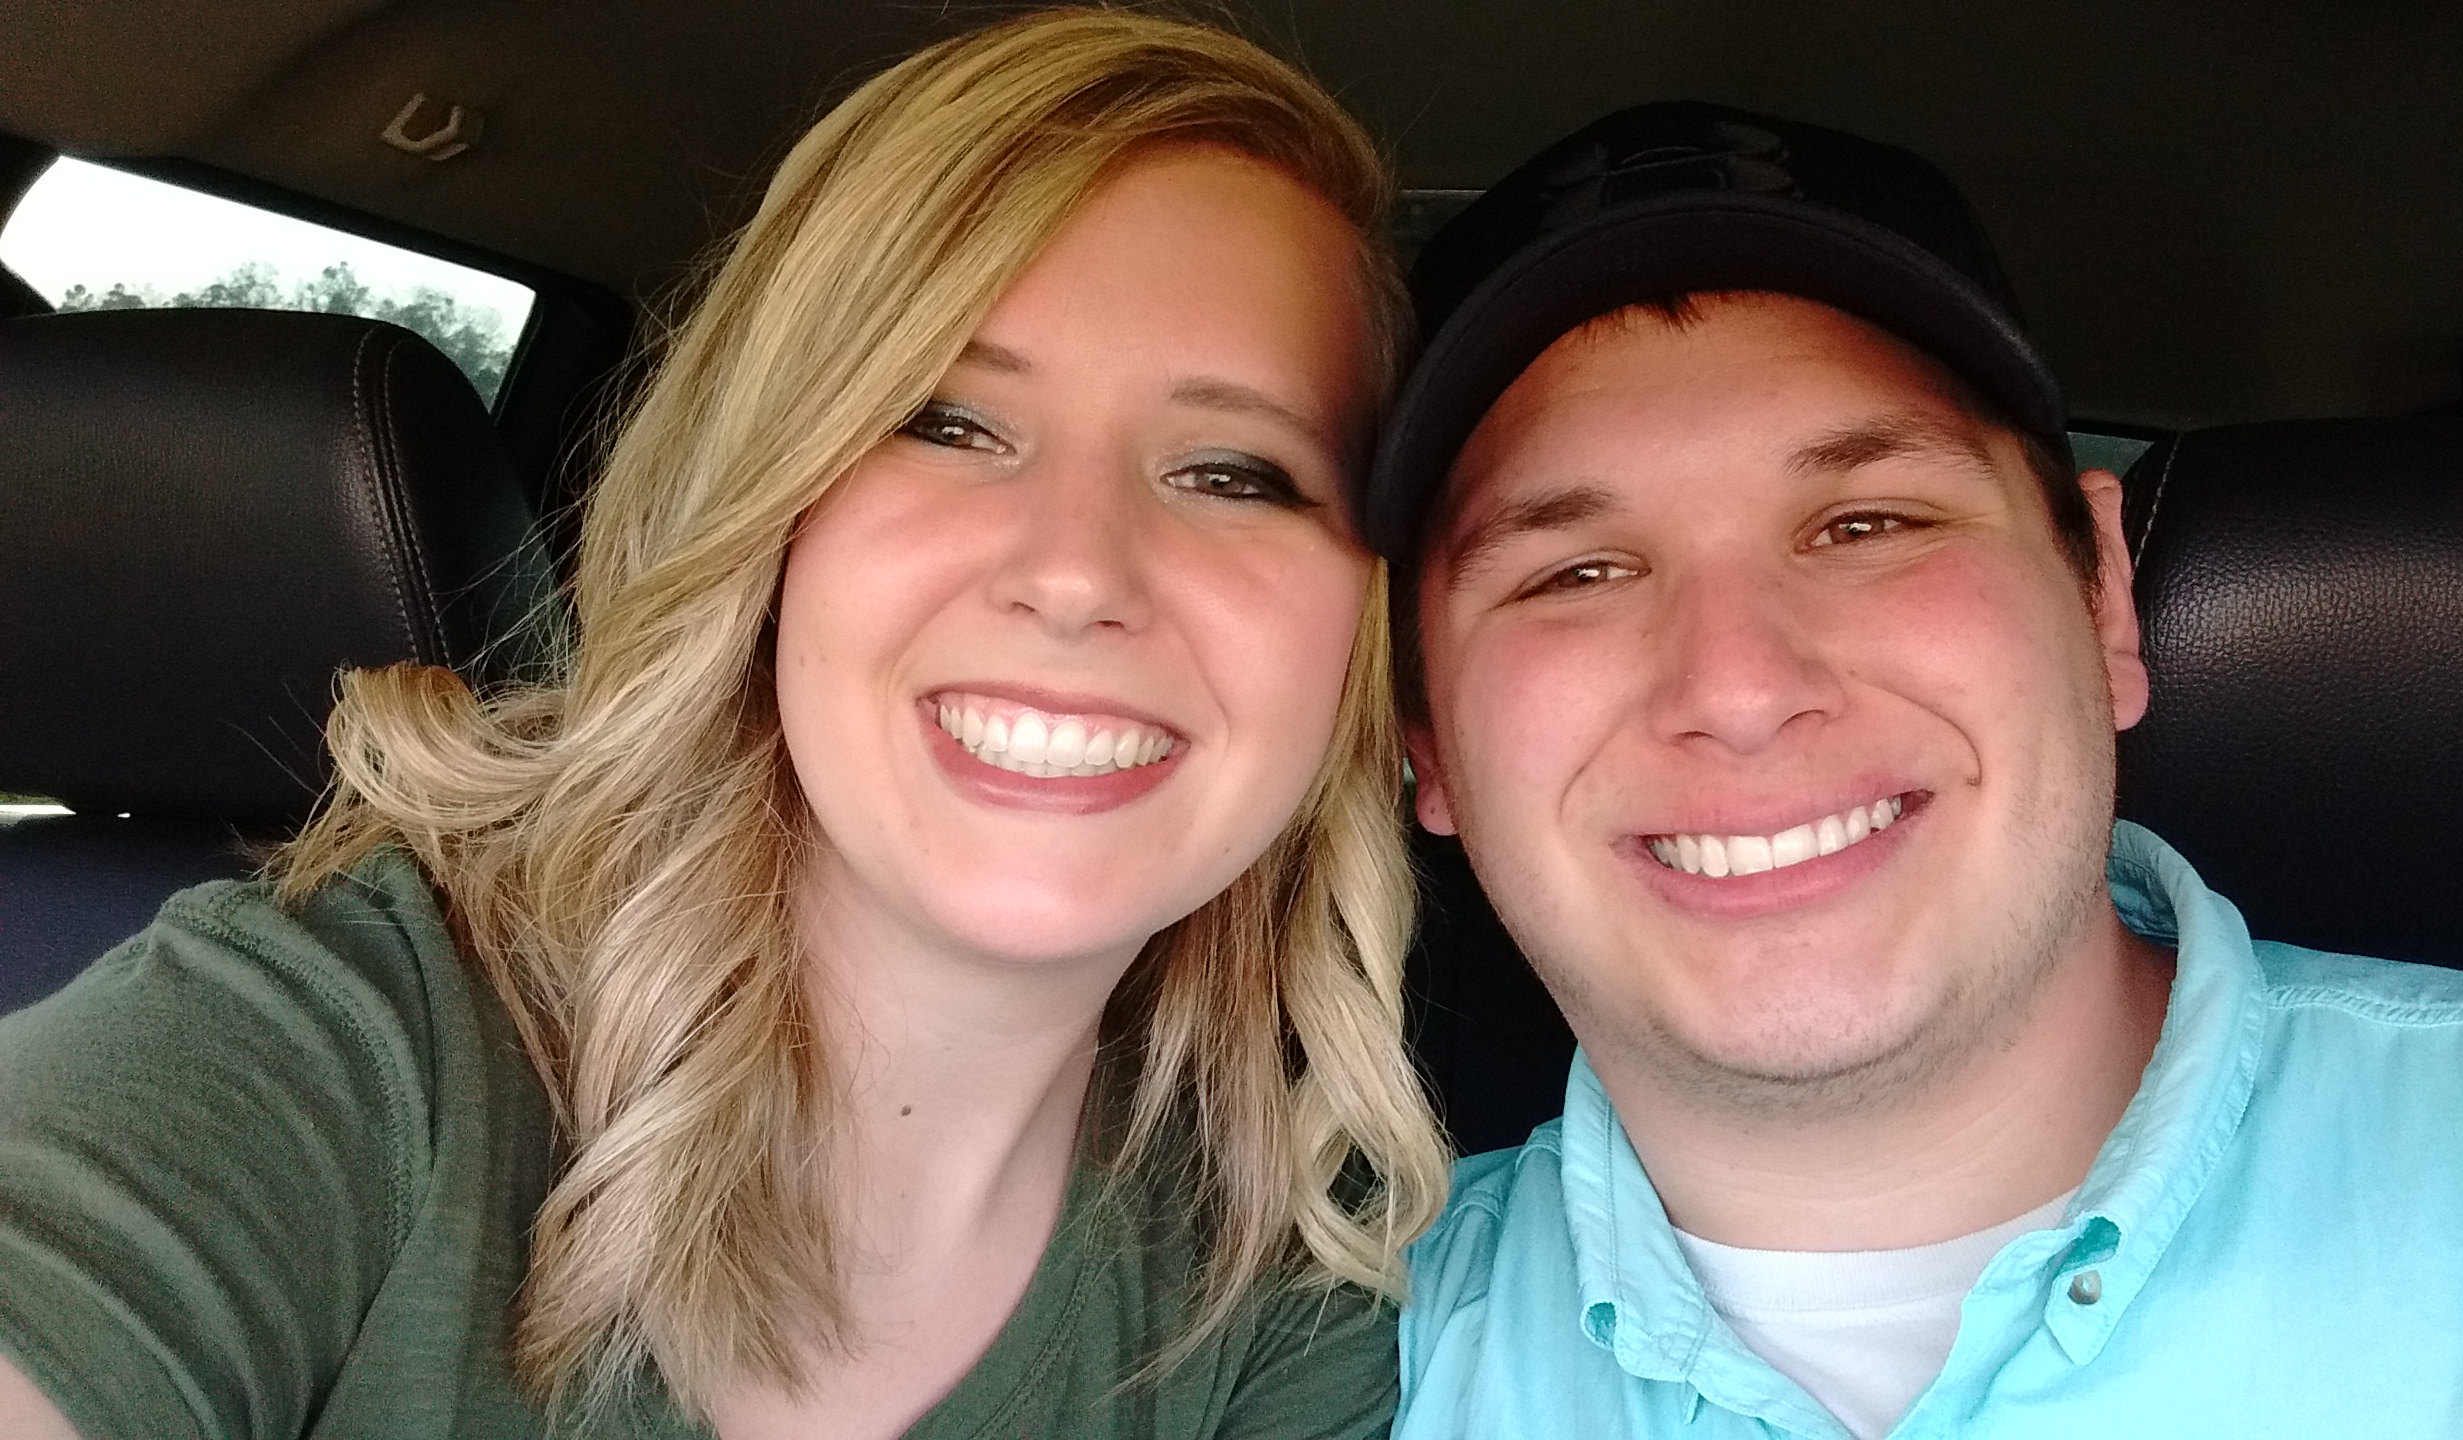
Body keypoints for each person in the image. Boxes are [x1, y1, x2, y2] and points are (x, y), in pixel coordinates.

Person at [0, 10, 1451, 1438]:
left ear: (1369, 644)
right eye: (944, 423)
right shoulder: (319, 1052)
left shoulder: (1282, 1284)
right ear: (770, 506)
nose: (1076, 573)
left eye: (1235, 473)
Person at [1368, 101, 2463, 1438]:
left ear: (2102, 599)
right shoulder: (1332, 1362)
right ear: (1426, 738)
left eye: (1866, 523)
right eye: (1577, 573)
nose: (1739, 691)